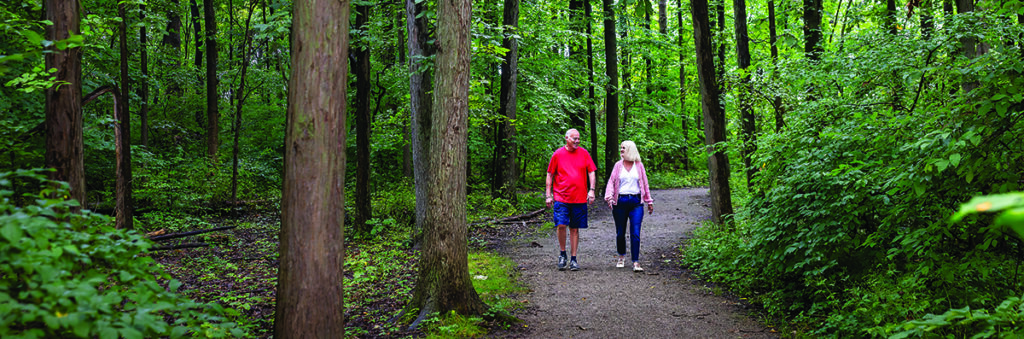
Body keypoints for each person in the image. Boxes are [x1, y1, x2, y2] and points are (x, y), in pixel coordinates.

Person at [546, 129, 597, 271]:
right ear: (567, 138)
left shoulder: (584, 153)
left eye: (578, 138)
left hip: (579, 198)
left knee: (574, 228)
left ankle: (574, 258)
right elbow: (550, 174)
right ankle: (562, 254)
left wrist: (591, 190)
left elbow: (591, 171)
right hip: (561, 197)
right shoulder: (558, 154)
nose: (577, 141)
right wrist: (548, 195)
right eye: (574, 138)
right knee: (561, 225)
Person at [603, 140, 654, 272]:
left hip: (636, 202)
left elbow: (645, 184)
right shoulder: (618, 165)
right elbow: (611, 182)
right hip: (620, 202)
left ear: (630, 150)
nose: (621, 150)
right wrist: (609, 196)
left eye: (623, 148)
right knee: (620, 232)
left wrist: (649, 201)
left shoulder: (639, 165)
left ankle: (636, 262)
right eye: (620, 148)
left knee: (635, 233)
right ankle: (621, 256)